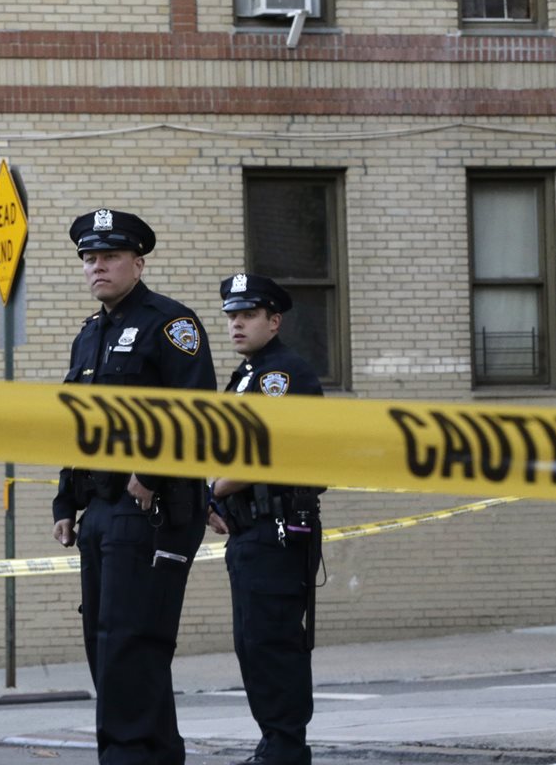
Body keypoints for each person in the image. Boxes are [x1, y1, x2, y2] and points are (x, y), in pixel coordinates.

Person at [52, 208, 217, 764]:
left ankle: (126, 758)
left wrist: (150, 475)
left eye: (110, 257)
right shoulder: (90, 335)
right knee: (108, 647)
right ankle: (157, 755)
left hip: (149, 507)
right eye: (89, 258)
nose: (97, 267)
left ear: (137, 262)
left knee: (129, 644)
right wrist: (65, 500)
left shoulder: (171, 324)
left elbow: (195, 413)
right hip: (99, 510)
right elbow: (80, 426)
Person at [207, 273, 325, 765]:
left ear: (274, 321)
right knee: (253, 643)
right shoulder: (249, 376)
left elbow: (265, 452)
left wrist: (215, 489)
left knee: (272, 642)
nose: (236, 324)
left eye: (248, 315)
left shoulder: (282, 374)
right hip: (251, 529)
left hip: (277, 530)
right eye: (232, 315)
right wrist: (215, 501)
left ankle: (286, 748)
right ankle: (274, 743)